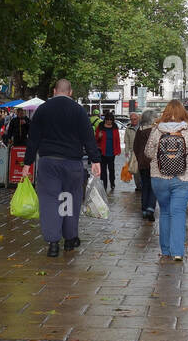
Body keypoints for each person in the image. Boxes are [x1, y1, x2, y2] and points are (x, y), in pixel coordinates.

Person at [24, 80, 101, 257]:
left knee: (50, 201)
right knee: (70, 200)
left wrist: (27, 164)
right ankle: (69, 239)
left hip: (48, 163)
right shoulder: (79, 110)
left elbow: (33, 139)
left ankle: (53, 243)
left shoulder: (42, 110)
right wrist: (95, 160)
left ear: (54, 91)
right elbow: (88, 138)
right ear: (70, 92)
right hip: (72, 163)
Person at [144, 100, 188, 261]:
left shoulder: (157, 130)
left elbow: (148, 152)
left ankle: (165, 250)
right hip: (184, 178)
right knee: (178, 212)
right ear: (183, 112)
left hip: (159, 177)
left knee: (165, 212)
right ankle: (177, 252)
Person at [133, 110, 158, 221]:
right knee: (153, 186)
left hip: (142, 163)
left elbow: (135, 147)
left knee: (145, 186)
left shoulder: (139, 130)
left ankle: (144, 209)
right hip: (153, 162)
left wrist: (139, 158)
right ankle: (150, 209)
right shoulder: (155, 130)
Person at [95, 110, 121, 192]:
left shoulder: (115, 126)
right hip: (102, 152)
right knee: (103, 170)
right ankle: (104, 185)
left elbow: (117, 139)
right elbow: (95, 140)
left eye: (111, 120)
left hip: (112, 152)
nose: (109, 121)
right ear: (105, 119)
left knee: (111, 169)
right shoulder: (101, 126)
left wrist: (118, 149)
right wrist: (99, 137)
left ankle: (112, 183)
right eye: (107, 119)